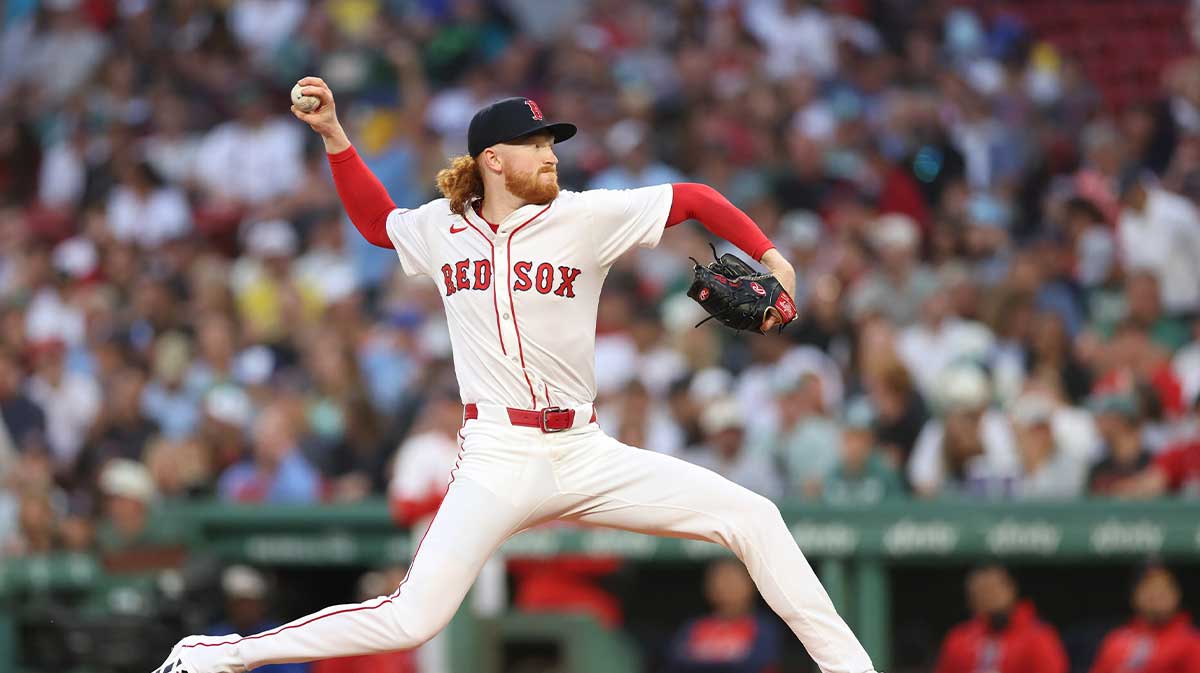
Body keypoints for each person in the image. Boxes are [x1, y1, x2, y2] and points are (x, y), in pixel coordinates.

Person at [152, 82, 876, 673]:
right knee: (414, 615)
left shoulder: (586, 217)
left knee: (753, 516)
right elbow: (380, 225)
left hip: (588, 450)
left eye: (551, 142)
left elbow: (693, 198)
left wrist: (773, 258)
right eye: (535, 145)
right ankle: (219, 655)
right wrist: (338, 140)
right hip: (498, 454)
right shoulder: (442, 227)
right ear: (494, 160)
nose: (550, 154)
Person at [933, 565, 1068, 673]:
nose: (986, 598)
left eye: (991, 590)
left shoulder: (1038, 637)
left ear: (1010, 589)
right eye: (977, 593)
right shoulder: (959, 638)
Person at [665, 558, 782, 673]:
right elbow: (676, 660)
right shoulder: (694, 626)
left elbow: (754, 664)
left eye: (732, 580)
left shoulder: (764, 626)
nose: (725, 587)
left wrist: (704, 658)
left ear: (750, 585)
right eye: (719, 580)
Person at [1089, 563, 1200, 673]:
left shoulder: (1191, 641)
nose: (1156, 595)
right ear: (1134, 596)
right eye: (1148, 587)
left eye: (1163, 588)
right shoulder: (1116, 639)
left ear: (1176, 594)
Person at [208, 566, 310, 673]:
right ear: (229, 605)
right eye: (239, 603)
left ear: (262, 605)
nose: (244, 609)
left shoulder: (279, 635)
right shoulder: (216, 635)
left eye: (250, 603)